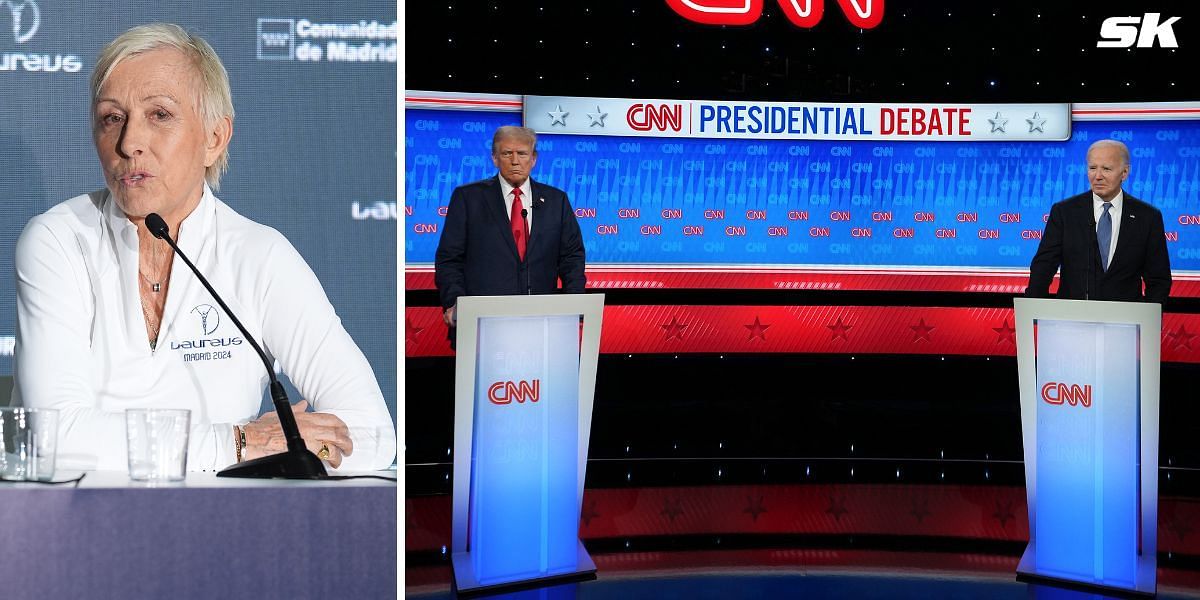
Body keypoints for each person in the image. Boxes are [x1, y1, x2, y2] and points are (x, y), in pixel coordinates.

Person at [12, 24, 396, 472]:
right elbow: (53, 439)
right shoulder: (58, 240)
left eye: (159, 115)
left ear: (214, 138)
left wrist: (292, 447)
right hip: (80, 532)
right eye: (112, 118)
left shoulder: (260, 255)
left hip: (225, 530)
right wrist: (238, 444)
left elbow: (372, 433)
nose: (129, 142)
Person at [434, 126, 586, 341]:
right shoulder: (468, 198)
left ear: (533, 159)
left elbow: (572, 257)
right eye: (507, 153)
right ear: (495, 158)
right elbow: (449, 259)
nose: (515, 161)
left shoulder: (556, 201)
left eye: (522, 154)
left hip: (542, 325)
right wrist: (456, 303)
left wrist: (575, 303)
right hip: (482, 326)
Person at [1026, 139, 1171, 303]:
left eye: (1106, 169)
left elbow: (1159, 279)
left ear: (1124, 172)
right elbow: (1043, 267)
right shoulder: (1065, 212)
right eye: (1092, 168)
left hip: (1125, 322)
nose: (1098, 176)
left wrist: (1147, 320)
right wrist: (1035, 310)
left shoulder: (1148, 217)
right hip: (1072, 320)